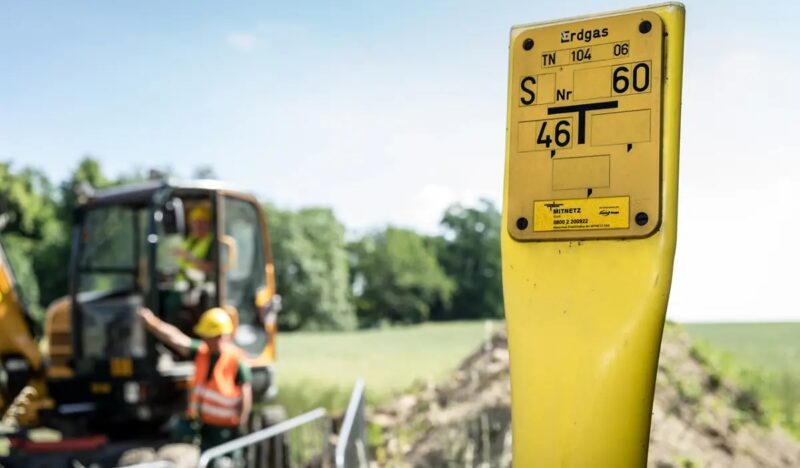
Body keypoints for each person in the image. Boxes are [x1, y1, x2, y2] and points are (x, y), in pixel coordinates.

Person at [138, 306, 252, 451]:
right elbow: (176, 339)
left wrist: (241, 424)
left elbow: (246, 396)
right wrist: (152, 323)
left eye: (207, 335)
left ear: (219, 336)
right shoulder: (202, 352)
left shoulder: (236, 360)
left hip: (224, 429)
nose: (203, 338)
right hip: (202, 423)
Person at [174, 204, 215, 286]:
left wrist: (190, 257)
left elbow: (213, 268)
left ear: (209, 223)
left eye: (202, 222)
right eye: (195, 221)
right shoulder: (189, 240)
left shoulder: (213, 242)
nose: (198, 225)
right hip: (181, 284)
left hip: (202, 288)